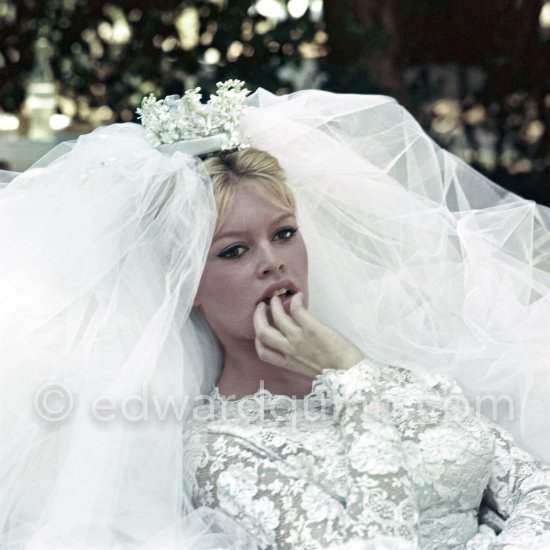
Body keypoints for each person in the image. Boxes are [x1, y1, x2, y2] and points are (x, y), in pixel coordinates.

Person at [1, 85, 550, 549]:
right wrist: (353, 381)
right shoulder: (220, 450)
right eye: (233, 251)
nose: (273, 262)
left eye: (284, 233)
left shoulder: (407, 380)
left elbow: (539, 491)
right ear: (187, 285)